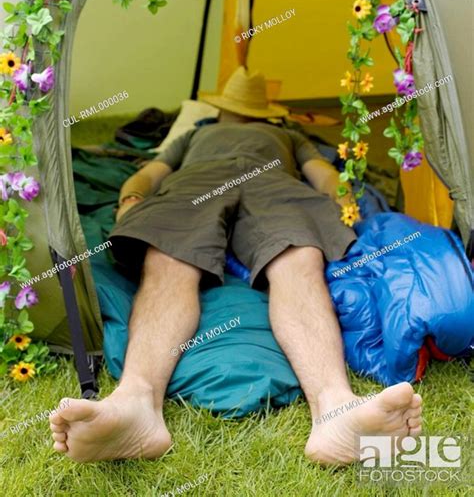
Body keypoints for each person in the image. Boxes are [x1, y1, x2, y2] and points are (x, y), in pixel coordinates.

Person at [49, 67, 422, 463]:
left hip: (274, 186)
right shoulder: (194, 134)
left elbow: (323, 174)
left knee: (298, 258)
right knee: (168, 256)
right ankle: (135, 405)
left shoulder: (289, 135)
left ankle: (335, 411)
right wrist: (131, 201)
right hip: (198, 181)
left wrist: (343, 201)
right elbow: (149, 174)